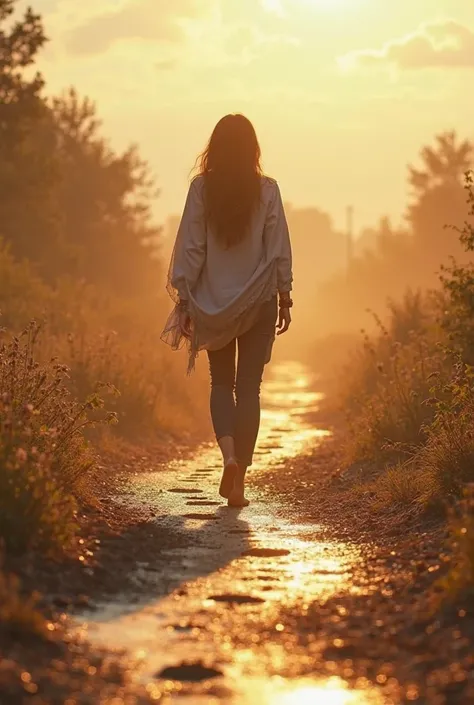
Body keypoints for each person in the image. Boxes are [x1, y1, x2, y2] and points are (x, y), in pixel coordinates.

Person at [162, 114, 293, 508]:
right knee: (249, 387)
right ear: (253, 148)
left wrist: (185, 298)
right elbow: (278, 247)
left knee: (221, 383)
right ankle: (240, 483)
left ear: (214, 147)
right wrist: (285, 295)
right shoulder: (268, 190)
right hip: (258, 301)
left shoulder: (201, 189)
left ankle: (229, 457)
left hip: (213, 302)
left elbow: (191, 247)